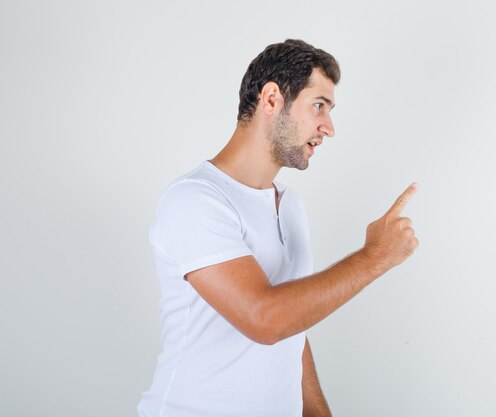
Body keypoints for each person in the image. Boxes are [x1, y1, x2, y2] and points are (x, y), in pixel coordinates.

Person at [137, 39, 418, 417]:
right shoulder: (194, 200)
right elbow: (264, 319)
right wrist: (375, 257)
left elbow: (291, 328)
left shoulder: (290, 205)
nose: (329, 127)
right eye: (319, 105)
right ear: (271, 99)